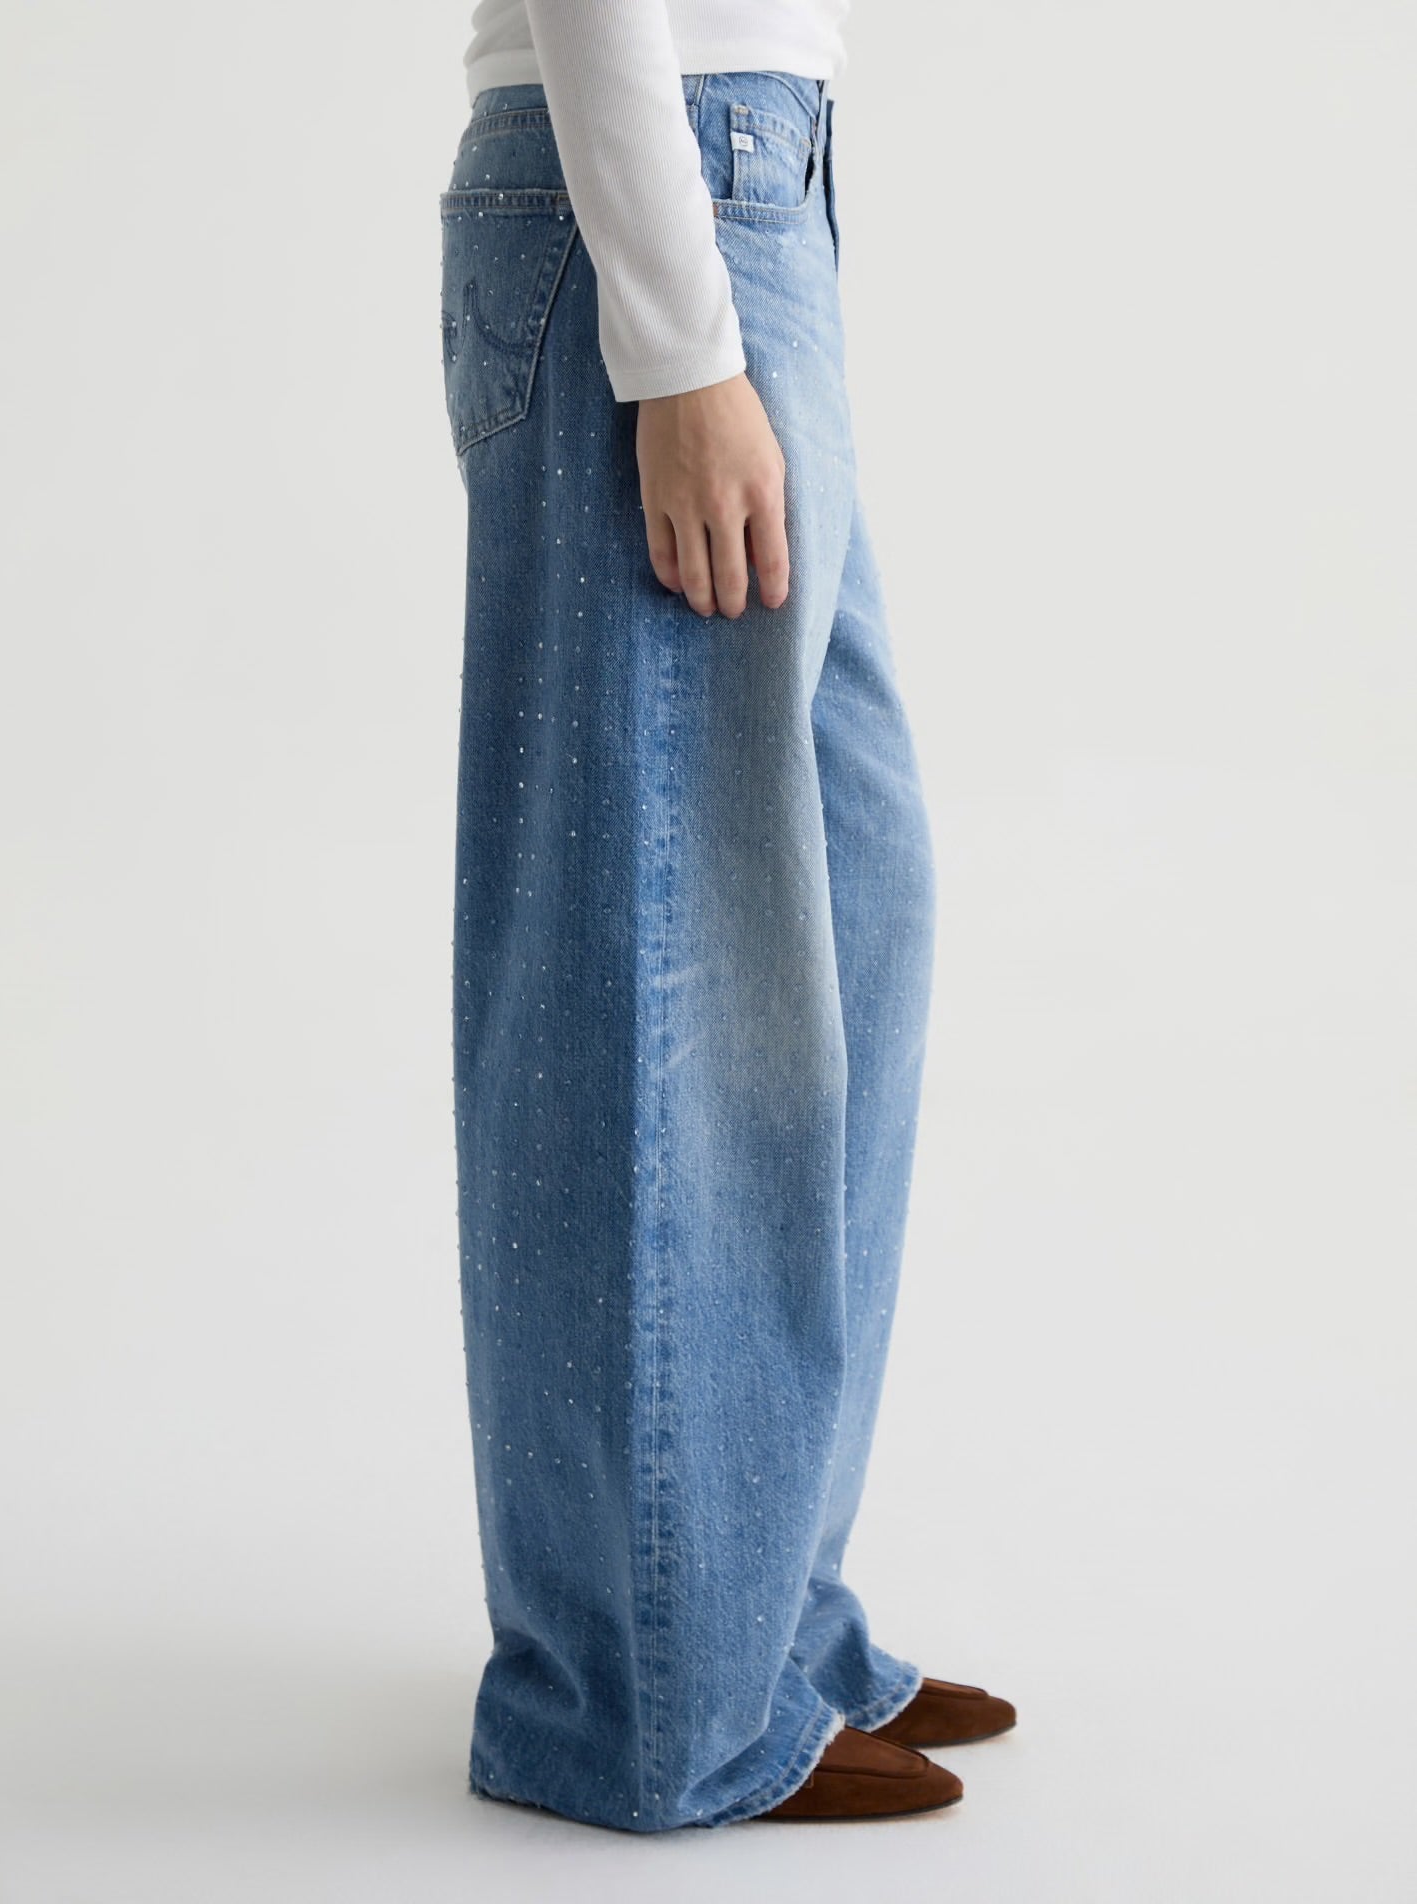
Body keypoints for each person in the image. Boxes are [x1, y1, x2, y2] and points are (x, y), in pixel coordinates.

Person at [437, 0, 1016, 1831]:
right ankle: (637, 1697)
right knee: (653, 981)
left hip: (752, 181)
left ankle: (762, 1625)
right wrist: (678, 340)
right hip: (657, 193)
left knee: (852, 910)